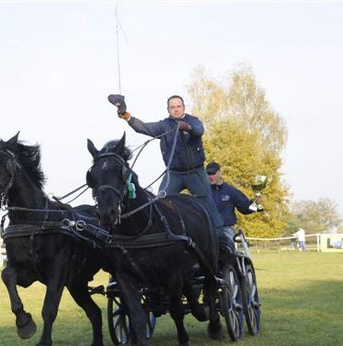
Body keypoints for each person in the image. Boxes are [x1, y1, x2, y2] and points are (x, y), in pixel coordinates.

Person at [108, 94, 236, 261]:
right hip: (174, 174)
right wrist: (126, 116)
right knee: (160, 201)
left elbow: (199, 130)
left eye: (178, 106)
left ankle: (222, 240)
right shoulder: (164, 125)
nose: (176, 109)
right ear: (168, 110)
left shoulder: (193, 120)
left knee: (208, 203)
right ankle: (162, 236)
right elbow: (143, 127)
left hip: (195, 173)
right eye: (172, 107)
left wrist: (186, 127)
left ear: (183, 108)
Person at [206, 161, 260, 240]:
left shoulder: (231, 191)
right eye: (209, 174)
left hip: (226, 230)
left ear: (219, 173)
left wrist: (255, 204)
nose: (211, 177)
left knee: (228, 246)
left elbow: (244, 208)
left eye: (213, 174)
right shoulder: (203, 192)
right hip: (209, 230)